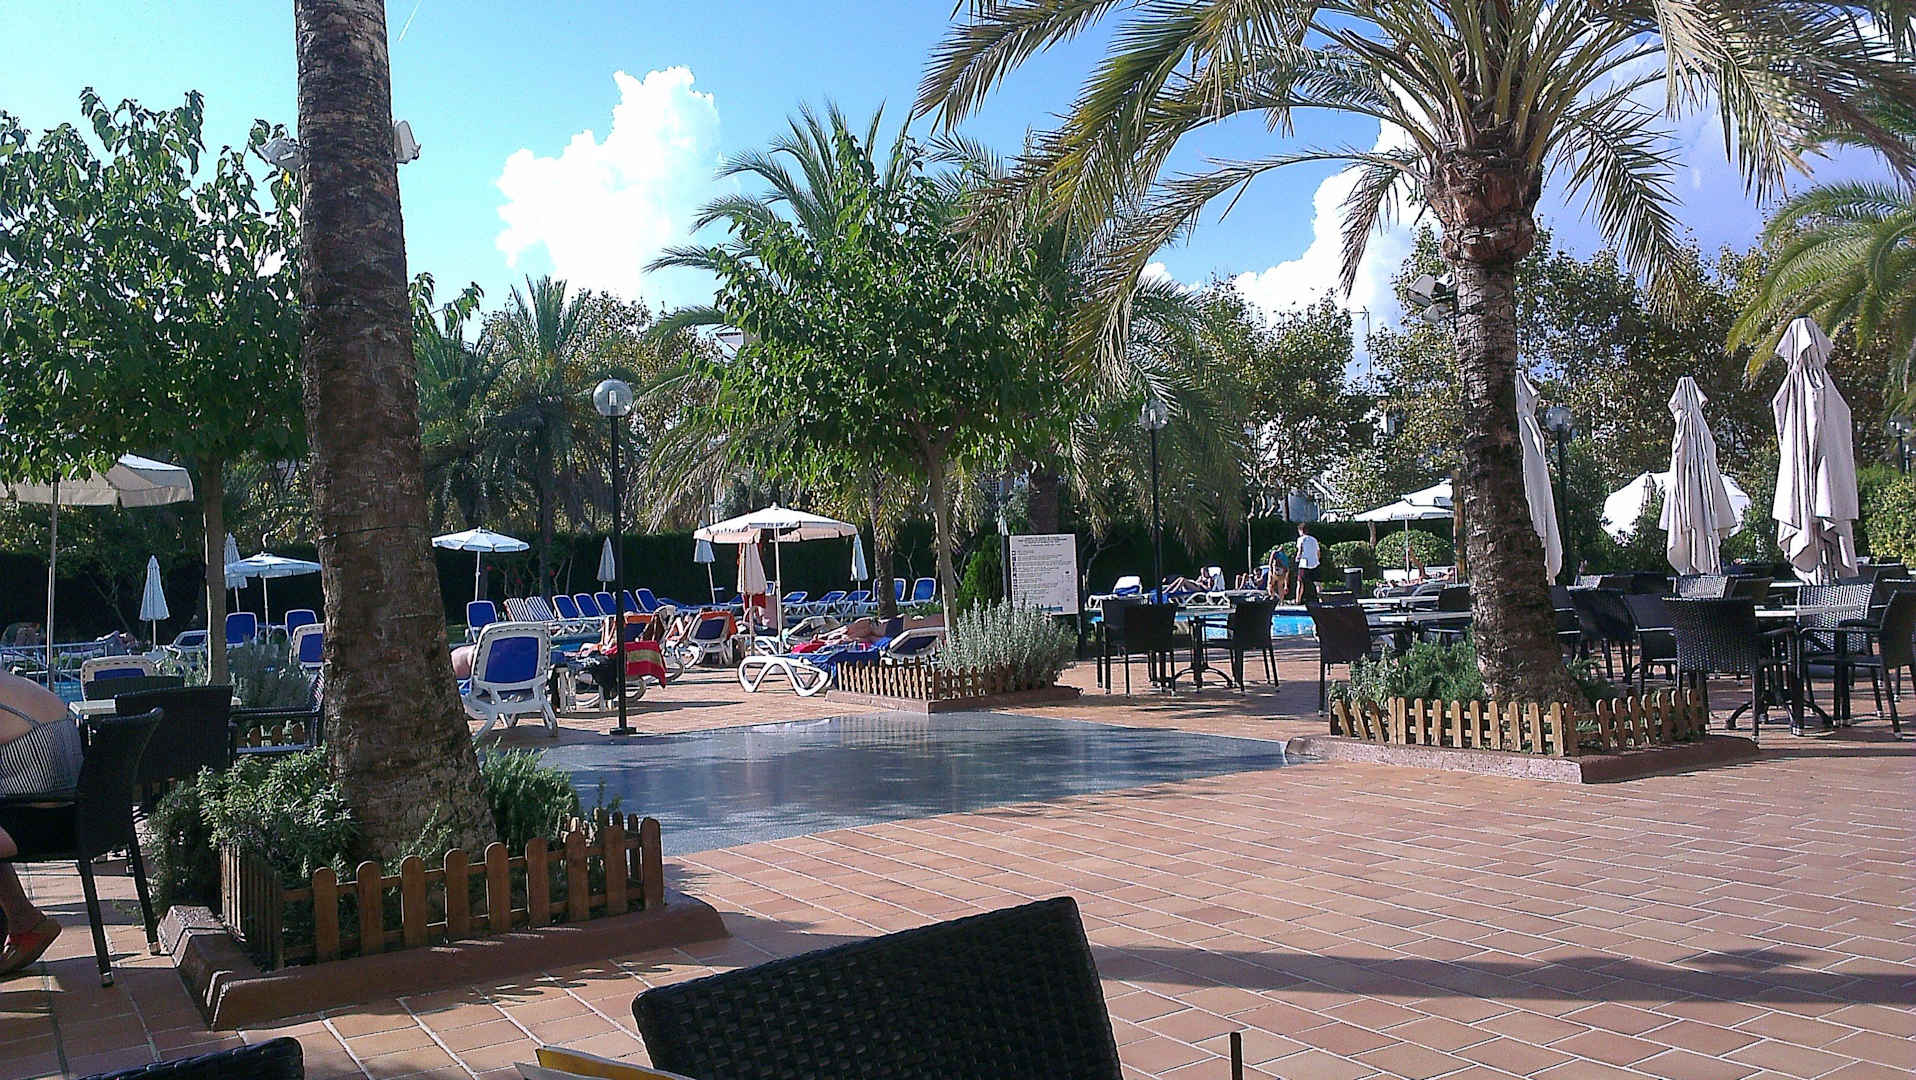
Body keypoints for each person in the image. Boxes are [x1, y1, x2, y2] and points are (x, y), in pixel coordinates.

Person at [0, 670, 83, 978]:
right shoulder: (17, 685)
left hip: (42, 822)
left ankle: (24, 919)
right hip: (75, 816)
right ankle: (24, 920)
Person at [1291, 523, 1321, 603]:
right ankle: (1322, 599)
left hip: (1304, 563)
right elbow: (1318, 552)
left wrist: (1297, 558)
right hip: (1314, 562)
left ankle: (1298, 600)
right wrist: (1317, 560)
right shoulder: (1314, 539)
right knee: (1317, 583)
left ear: (1300, 530)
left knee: (1300, 582)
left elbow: (1300, 550)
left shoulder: (1300, 539)